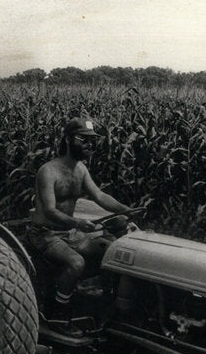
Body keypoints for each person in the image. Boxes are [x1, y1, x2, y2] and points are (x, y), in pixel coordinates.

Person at [27, 117, 133, 321]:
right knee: (76, 263)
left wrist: (126, 209)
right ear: (68, 139)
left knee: (112, 251)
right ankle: (56, 311)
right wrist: (78, 223)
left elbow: (100, 196)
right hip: (44, 234)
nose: (89, 145)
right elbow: (49, 211)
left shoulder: (80, 169)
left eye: (92, 140)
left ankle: (105, 304)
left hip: (69, 233)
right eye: (83, 139)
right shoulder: (48, 171)